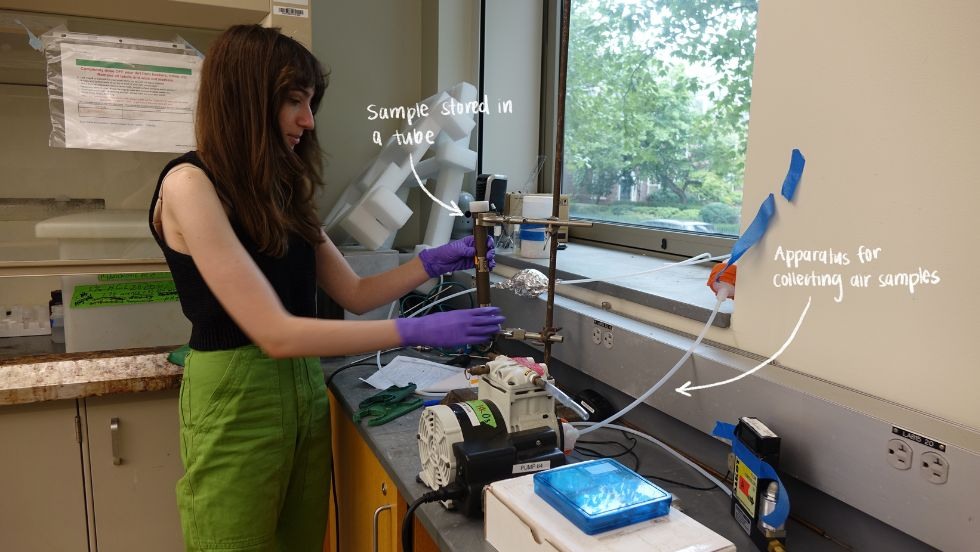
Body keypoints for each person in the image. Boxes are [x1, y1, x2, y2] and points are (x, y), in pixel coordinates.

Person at [148, 24, 502, 552]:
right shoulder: (190, 185)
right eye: (294, 101)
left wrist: (432, 261)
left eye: (310, 102)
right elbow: (276, 334)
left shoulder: (282, 190)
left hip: (303, 391)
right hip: (235, 395)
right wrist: (413, 330)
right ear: (245, 97)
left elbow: (355, 292)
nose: (307, 120)